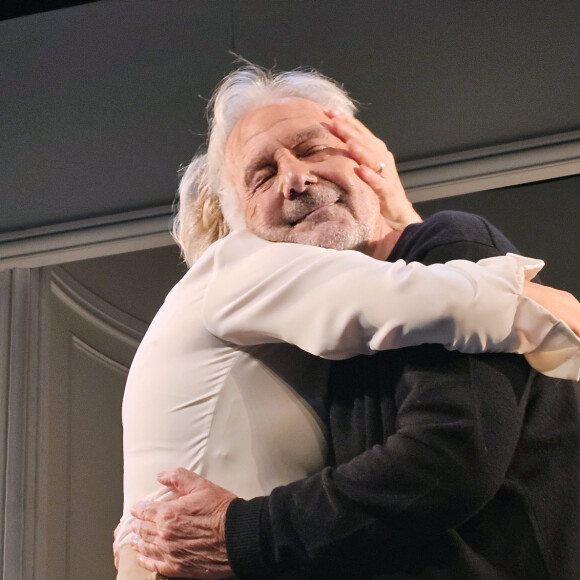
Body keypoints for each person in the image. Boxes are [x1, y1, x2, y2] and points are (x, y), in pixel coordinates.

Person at [126, 64, 580, 579]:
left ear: (368, 159)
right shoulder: (244, 267)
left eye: (314, 148)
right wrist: (537, 300)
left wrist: (241, 532)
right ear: (242, 227)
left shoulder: (452, 246)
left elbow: (448, 462)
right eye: (263, 176)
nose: (295, 178)